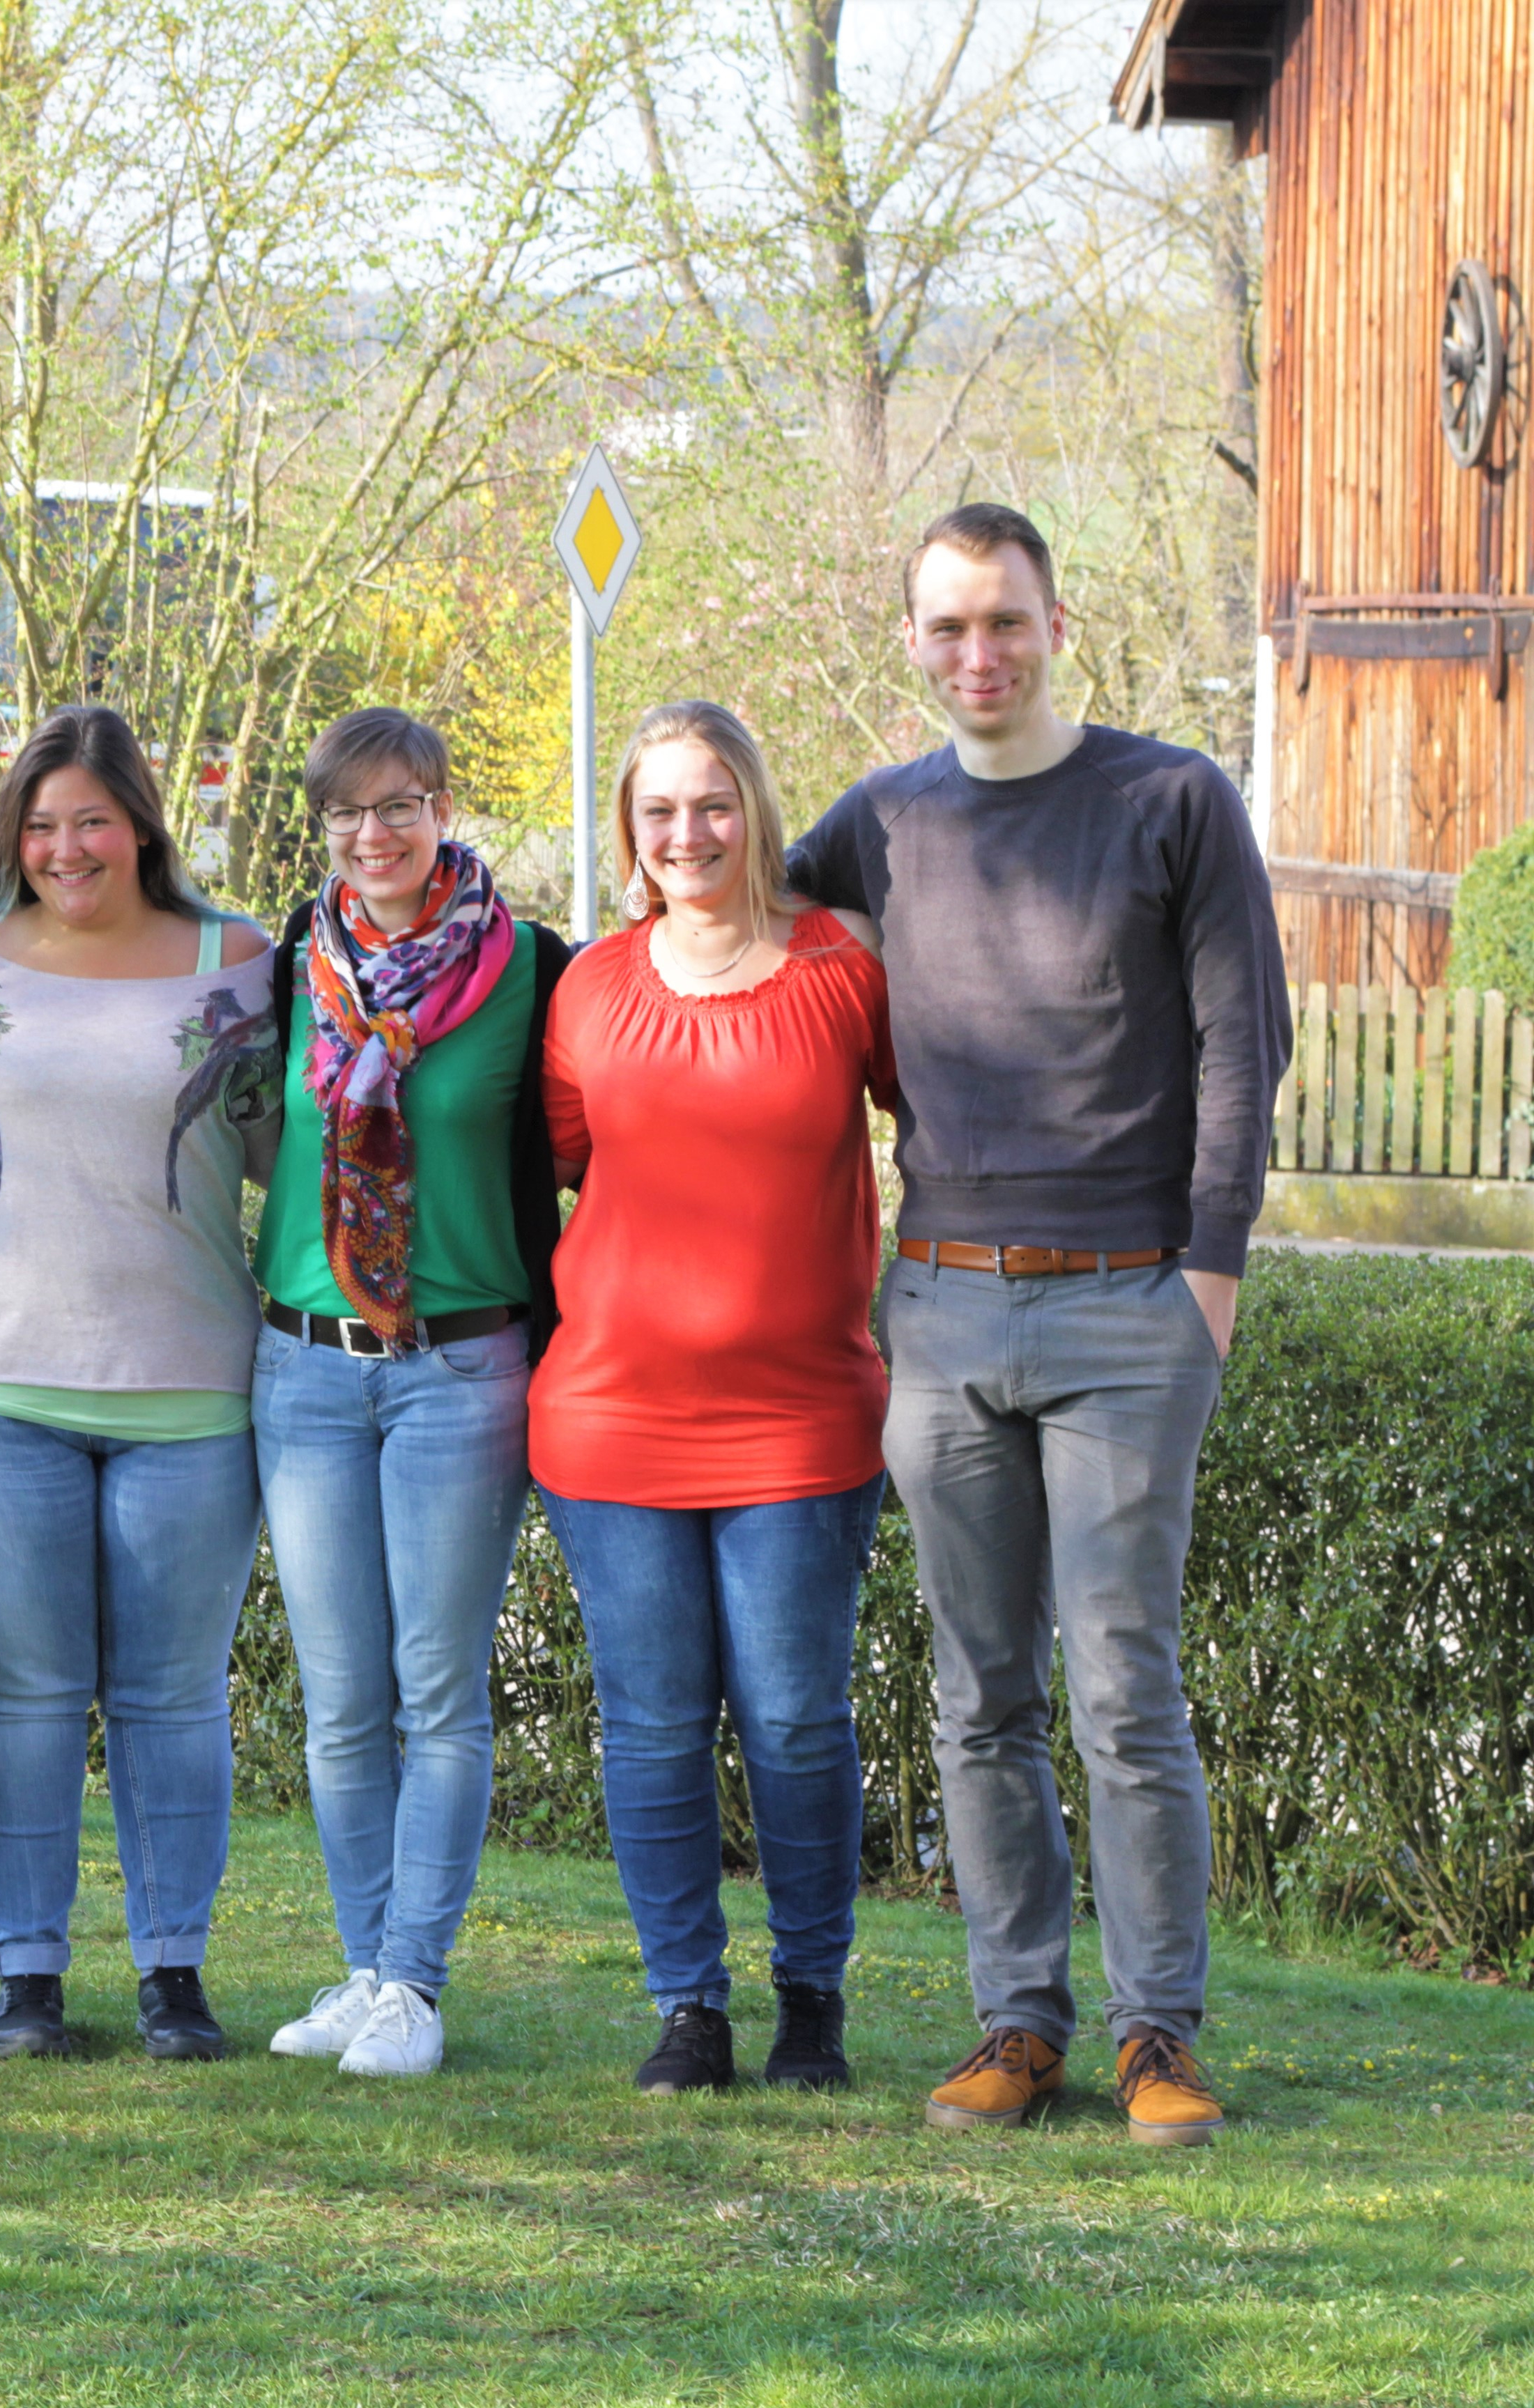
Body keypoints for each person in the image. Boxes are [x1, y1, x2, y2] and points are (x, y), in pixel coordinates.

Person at [790, 502, 1289, 2147]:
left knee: (1123, 1692)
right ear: (914, 645)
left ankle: (1162, 2036)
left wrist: (1207, 1279)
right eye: (946, 630)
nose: (977, 655)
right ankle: (1020, 2025)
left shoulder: (1171, 800)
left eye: (1003, 621)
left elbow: (1241, 1047)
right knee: (978, 1696)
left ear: (1058, 623)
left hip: (1131, 1309)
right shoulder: (884, 822)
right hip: (939, 1314)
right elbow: (737, 935)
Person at [0, 704, 275, 2064]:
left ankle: (174, 1975)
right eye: (41, 824)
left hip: (191, 1387)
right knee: (22, 1690)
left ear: (142, 825)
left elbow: (284, 1165)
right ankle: (28, 1981)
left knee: (175, 1694)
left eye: (92, 821)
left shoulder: (240, 964)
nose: (66, 847)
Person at [532, 701, 893, 2097]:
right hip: (611, 1420)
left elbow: (951, 1118)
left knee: (799, 1716)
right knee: (655, 1722)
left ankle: (813, 2000)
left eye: (714, 804)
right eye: (659, 810)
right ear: (630, 830)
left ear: (755, 806)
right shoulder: (590, 988)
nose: (687, 833)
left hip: (803, 1419)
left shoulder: (842, 969)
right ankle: (689, 2005)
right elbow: (565, 1163)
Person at [252, 707, 569, 2081]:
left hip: (461, 1369)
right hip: (304, 1371)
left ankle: (415, 1987)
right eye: (346, 815)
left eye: (400, 807)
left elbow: (589, 1157)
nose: (373, 837)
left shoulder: (530, 970)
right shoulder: (290, 970)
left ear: (445, 807)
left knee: (438, 1692)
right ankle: (366, 1965)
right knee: (338, 1698)